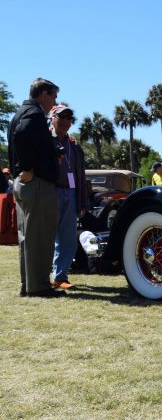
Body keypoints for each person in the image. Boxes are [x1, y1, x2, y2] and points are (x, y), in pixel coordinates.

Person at [8, 78, 63, 298]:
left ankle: (28, 285)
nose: (54, 101)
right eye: (54, 96)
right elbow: (22, 135)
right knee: (40, 236)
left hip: (25, 185)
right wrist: (27, 167)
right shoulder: (34, 114)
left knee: (28, 238)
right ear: (44, 95)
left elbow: (21, 137)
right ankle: (39, 286)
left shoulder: (20, 113)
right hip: (37, 184)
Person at [50, 104, 89, 289]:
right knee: (46, 237)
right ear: (52, 118)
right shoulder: (44, 140)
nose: (66, 121)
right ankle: (41, 278)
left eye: (69, 118)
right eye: (61, 117)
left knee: (68, 239)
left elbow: (79, 175)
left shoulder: (74, 145)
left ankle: (60, 277)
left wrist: (81, 201)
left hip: (70, 193)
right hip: (50, 192)